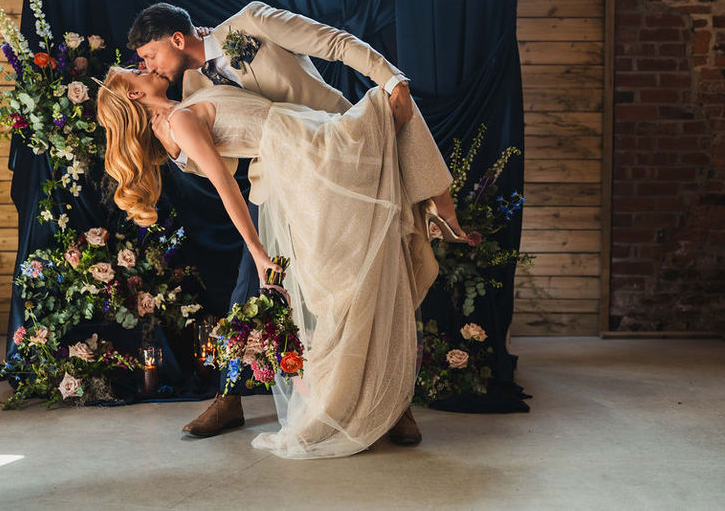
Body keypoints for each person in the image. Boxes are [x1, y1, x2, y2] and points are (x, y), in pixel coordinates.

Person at [96, 61, 462, 459]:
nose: (144, 65)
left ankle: (380, 398)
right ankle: (444, 208)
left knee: (364, 261)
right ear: (134, 93)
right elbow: (224, 186)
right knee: (390, 97)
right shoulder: (179, 120)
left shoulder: (182, 105)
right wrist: (257, 252)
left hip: (303, 140)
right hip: (304, 151)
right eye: (134, 69)